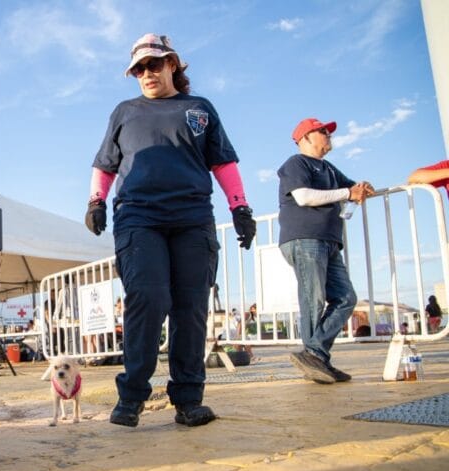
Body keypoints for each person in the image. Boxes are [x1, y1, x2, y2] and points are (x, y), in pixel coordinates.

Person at [85, 34, 256, 428]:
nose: (146, 74)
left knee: (191, 306)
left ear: (173, 64)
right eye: (139, 69)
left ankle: (188, 398)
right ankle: (131, 396)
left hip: (192, 217)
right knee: (147, 296)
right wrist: (96, 201)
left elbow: (223, 162)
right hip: (138, 216)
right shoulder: (125, 112)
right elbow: (105, 164)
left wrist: (240, 208)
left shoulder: (199, 108)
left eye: (154, 65)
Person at [277, 117, 374, 384]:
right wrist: (347, 193)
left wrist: (362, 188)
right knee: (314, 299)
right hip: (305, 238)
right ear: (304, 138)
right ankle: (316, 357)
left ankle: (316, 356)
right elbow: (304, 197)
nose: (328, 135)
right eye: (321, 132)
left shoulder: (329, 168)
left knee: (346, 298)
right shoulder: (295, 164)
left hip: (329, 241)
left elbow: (351, 189)